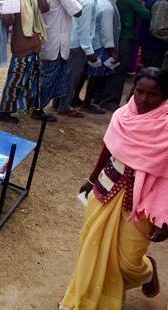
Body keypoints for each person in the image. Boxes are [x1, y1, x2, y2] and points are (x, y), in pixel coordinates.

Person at [61, 67, 168, 309]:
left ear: (164, 97)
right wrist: (90, 180)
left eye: (152, 94)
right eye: (139, 91)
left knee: (129, 263)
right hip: (106, 189)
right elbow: (108, 148)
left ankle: (148, 270)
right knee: (92, 246)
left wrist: (165, 221)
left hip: (143, 204)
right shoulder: (122, 116)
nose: (143, 99)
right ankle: (82, 299)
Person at [0, 0, 50, 123]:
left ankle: (32, 108)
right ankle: (4, 111)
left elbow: (46, 8)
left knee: (34, 80)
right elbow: (9, 21)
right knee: (15, 81)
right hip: (22, 46)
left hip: (34, 44)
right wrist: (9, 1)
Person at [39, 0, 84, 121]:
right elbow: (77, 11)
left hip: (51, 34)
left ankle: (39, 106)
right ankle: (38, 108)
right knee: (49, 77)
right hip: (56, 39)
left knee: (49, 75)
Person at [100, 0, 151, 111]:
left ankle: (101, 97)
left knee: (111, 67)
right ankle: (110, 100)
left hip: (117, 33)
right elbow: (145, 14)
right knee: (120, 69)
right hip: (125, 34)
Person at [58, 0, 105, 118]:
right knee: (72, 77)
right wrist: (89, 51)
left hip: (69, 40)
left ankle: (59, 102)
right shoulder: (89, 1)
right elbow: (84, 29)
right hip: (77, 45)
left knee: (66, 75)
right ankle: (64, 106)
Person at [83, 0, 124, 113]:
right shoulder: (106, 6)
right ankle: (87, 102)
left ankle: (83, 100)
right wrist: (112, 50)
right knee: (96, 76)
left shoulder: (101, 0)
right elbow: (107, 31)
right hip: (101, 46)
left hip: (95, 43)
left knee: (89, 75)